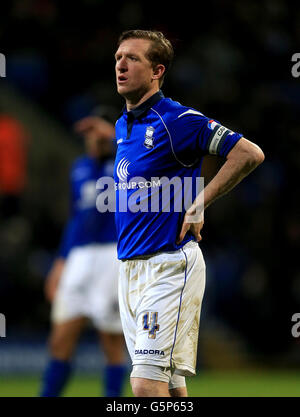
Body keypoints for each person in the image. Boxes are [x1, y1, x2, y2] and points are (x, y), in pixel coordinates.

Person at [112, 29, 265, 397]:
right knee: (171, 388)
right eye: (118, 57)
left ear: (157, 71)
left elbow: (249, 153)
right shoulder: (122, 125)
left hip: (168, 264)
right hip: (130, 270)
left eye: (132, 58)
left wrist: (198, 203)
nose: (121, 64)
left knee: (146, 386)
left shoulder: (177, 120)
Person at [39, 112, 127, 397]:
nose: (94, 138)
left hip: (112, 255)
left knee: (111, 342)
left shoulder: (127, 165)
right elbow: (75, 218)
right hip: (78, 258)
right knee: (59, 339)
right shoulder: (78, 168)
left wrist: (115, 137)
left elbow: (153, 152)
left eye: (98, 131)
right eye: (89, 132)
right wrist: (59, 264)